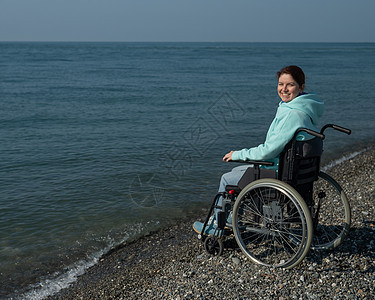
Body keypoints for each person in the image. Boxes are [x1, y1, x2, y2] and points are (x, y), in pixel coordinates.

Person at [193, 65, 324, 235]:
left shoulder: (293, 115)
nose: (284, 89)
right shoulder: (305, 109)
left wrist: (238, 154)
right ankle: (233, 218)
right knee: (237, 171)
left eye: (290, 85)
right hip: (291, 169)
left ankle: (216, 226)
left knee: (226, 179)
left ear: (301, 87)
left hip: (277, 172)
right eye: (280, 84)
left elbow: (267, 151)